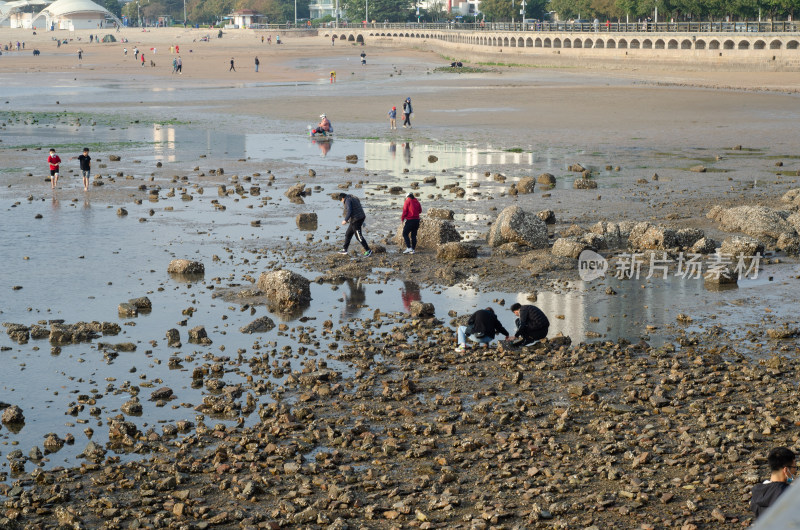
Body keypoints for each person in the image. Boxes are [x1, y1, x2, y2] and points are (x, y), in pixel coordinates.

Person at [752, 447, 796, 518]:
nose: (795, 471)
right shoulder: (789, 494)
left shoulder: (756, 492)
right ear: (786, 470)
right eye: (794, 467)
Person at [337, 192, 372, 257]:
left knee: (358, 236)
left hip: (357, 219)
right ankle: (345, 249)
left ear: (343, 198)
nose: (342, 202)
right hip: (357, 218)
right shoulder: (352, 197)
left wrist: (345, 220)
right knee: (348, 234)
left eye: (341, 200)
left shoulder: (347, 200)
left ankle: (368, 250)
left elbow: (349, 210)